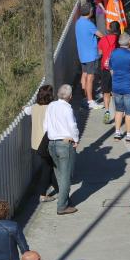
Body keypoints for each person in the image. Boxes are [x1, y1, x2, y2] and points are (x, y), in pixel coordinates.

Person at [44, 84, 80, 215]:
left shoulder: (51, 106)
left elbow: (45, 124)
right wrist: (76, 139)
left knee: (59, 173)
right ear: (70, 96)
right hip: (65, 144)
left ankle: (64, 198)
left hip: (52, 143)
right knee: (66, 176)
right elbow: (72, 125)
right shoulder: (67, 108)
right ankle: (62, 205)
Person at [24, 85, 58, 202]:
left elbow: (25, 110)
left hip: (36, 143)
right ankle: (43, 194)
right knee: (47, 168)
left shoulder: (34, 108)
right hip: (46, 143)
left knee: (48, 166)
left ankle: (59, 189)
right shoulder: (51, 108)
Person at [76, 2, 104, 111]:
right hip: (91, 55)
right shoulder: (89, 24)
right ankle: (90, 101)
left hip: (82, 54)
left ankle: (85, 97)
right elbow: (100, 35)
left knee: (84, 75)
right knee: (90, 78)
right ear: (89, 12)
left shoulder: (78, 22)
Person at [111, 33, 130, 142]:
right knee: (129, 112)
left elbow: (111, 70)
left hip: (116, 86)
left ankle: (117, 132)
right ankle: (129, 134)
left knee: (119, 110)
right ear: (129, 42)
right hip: (128, 86)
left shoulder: (113, 53)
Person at [97, 21, 120, 124]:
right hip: (116, 69)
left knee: (106, 92)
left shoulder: (103, 39)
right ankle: (118, 113)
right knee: (116, 93)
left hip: (105, 69)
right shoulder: (119, 40)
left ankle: (107, 112)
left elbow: (100, 53)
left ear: (109, 29)